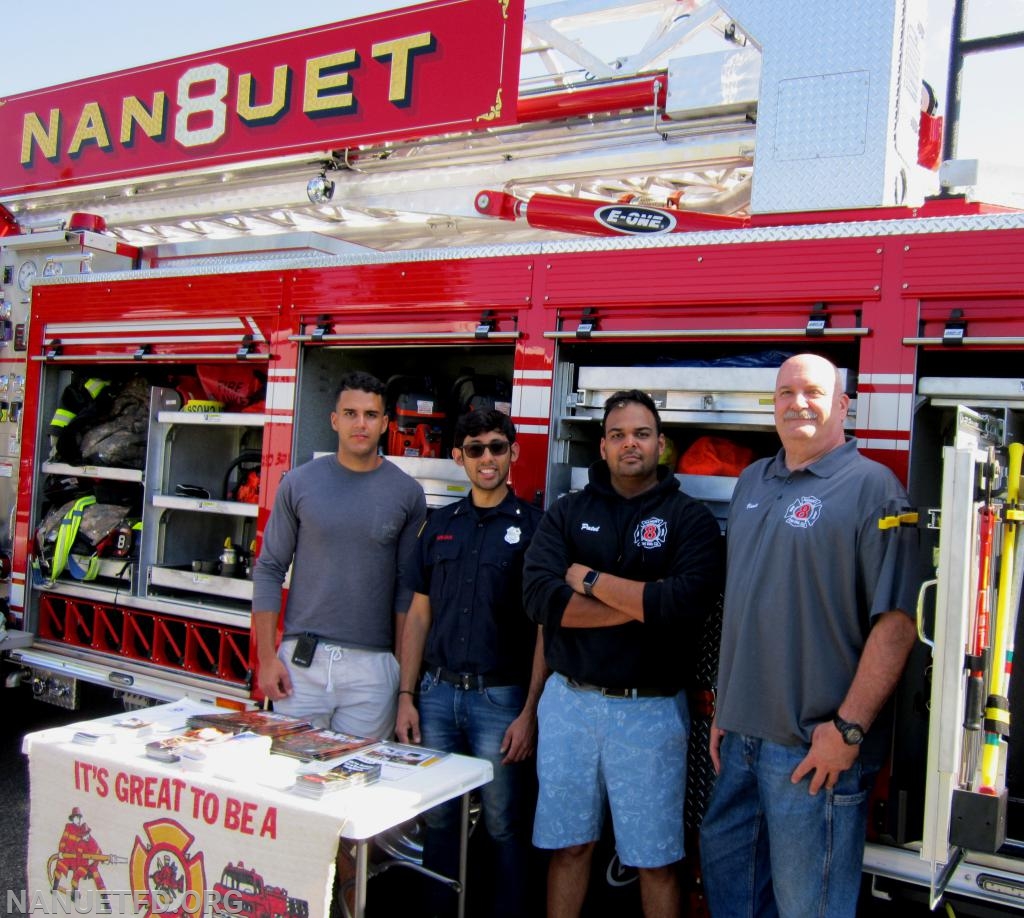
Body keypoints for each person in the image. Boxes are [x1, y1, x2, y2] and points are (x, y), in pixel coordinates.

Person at [699, 353, 920, 918]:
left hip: (810, 750)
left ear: (843, 406)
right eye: (785, 393)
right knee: (732, 897)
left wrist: (847, 731)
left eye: (814, 392)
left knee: (808, 908)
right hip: (742, 739)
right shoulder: (753, 480)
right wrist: (727, 703)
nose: (798, 402)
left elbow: (896, 623)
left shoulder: (875, 489)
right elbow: (747, 602)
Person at [523, 389, 724, 918]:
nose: (628, 444)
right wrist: (645, 601)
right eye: (617, 435)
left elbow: (688, 603)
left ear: (661, 444)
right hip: (569, 705)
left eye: (641, 433)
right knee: (569, 847)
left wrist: (590, 581)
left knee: (655, 859)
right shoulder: (568, 512)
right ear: (603, 447)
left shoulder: (691, 520)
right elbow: (540, 598)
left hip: (651, 711)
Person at [396, 408, 546, 918]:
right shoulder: (438, 525)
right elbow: (418, 615)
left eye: (497, 447)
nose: (487, 458)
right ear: (458, 456)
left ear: (514, 453)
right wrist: (406, 697)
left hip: (500, 702)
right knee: (438, 821)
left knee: (505, 825)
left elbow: (547, 627)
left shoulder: (535, 529)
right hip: (436, 698)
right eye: (475, 448)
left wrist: (530, 711)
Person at [252, 370, 426, 741]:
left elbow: (406, 591)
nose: (360, 424)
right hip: (301, 664)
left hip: (373, 670)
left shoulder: (408, 494)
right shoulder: (298, 483)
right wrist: (267, 658)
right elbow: (269, 570)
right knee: (290, 778)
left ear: (385, 424)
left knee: (362, 785)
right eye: (350, 413)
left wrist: (398, 676)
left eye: (370, 415)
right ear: (334, 420)